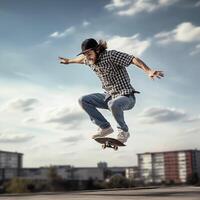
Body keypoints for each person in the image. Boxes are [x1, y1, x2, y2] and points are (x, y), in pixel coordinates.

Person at [58, 38, 164, 143]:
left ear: (97, 50)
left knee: (114, 104)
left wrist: (148, 70)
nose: (87, 57)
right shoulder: (89, 60)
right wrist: (68, 61)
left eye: (89, 53)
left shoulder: (111, 55)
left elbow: (133, 59)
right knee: (83, 100)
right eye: (85, 54)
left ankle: (123, 131)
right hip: (108, 96)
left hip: (126, 97)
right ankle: (105, 127)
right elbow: (79, 59)